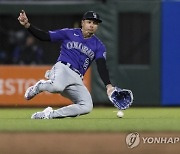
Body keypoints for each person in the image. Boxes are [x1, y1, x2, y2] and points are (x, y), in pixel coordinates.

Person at [18, 10, 115, 119]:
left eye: (95, 23)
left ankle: (49, 115)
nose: (92, 25)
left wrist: (108, 86)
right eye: (89, 22)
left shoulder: (99, 46)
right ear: (82, 23)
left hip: (77, 78)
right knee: (57, 87)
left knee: (87, 106)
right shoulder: (68, 33)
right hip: (63, 68)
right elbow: (45, 36)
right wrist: (27, 25)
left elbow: (101, 65)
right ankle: (40, 86)